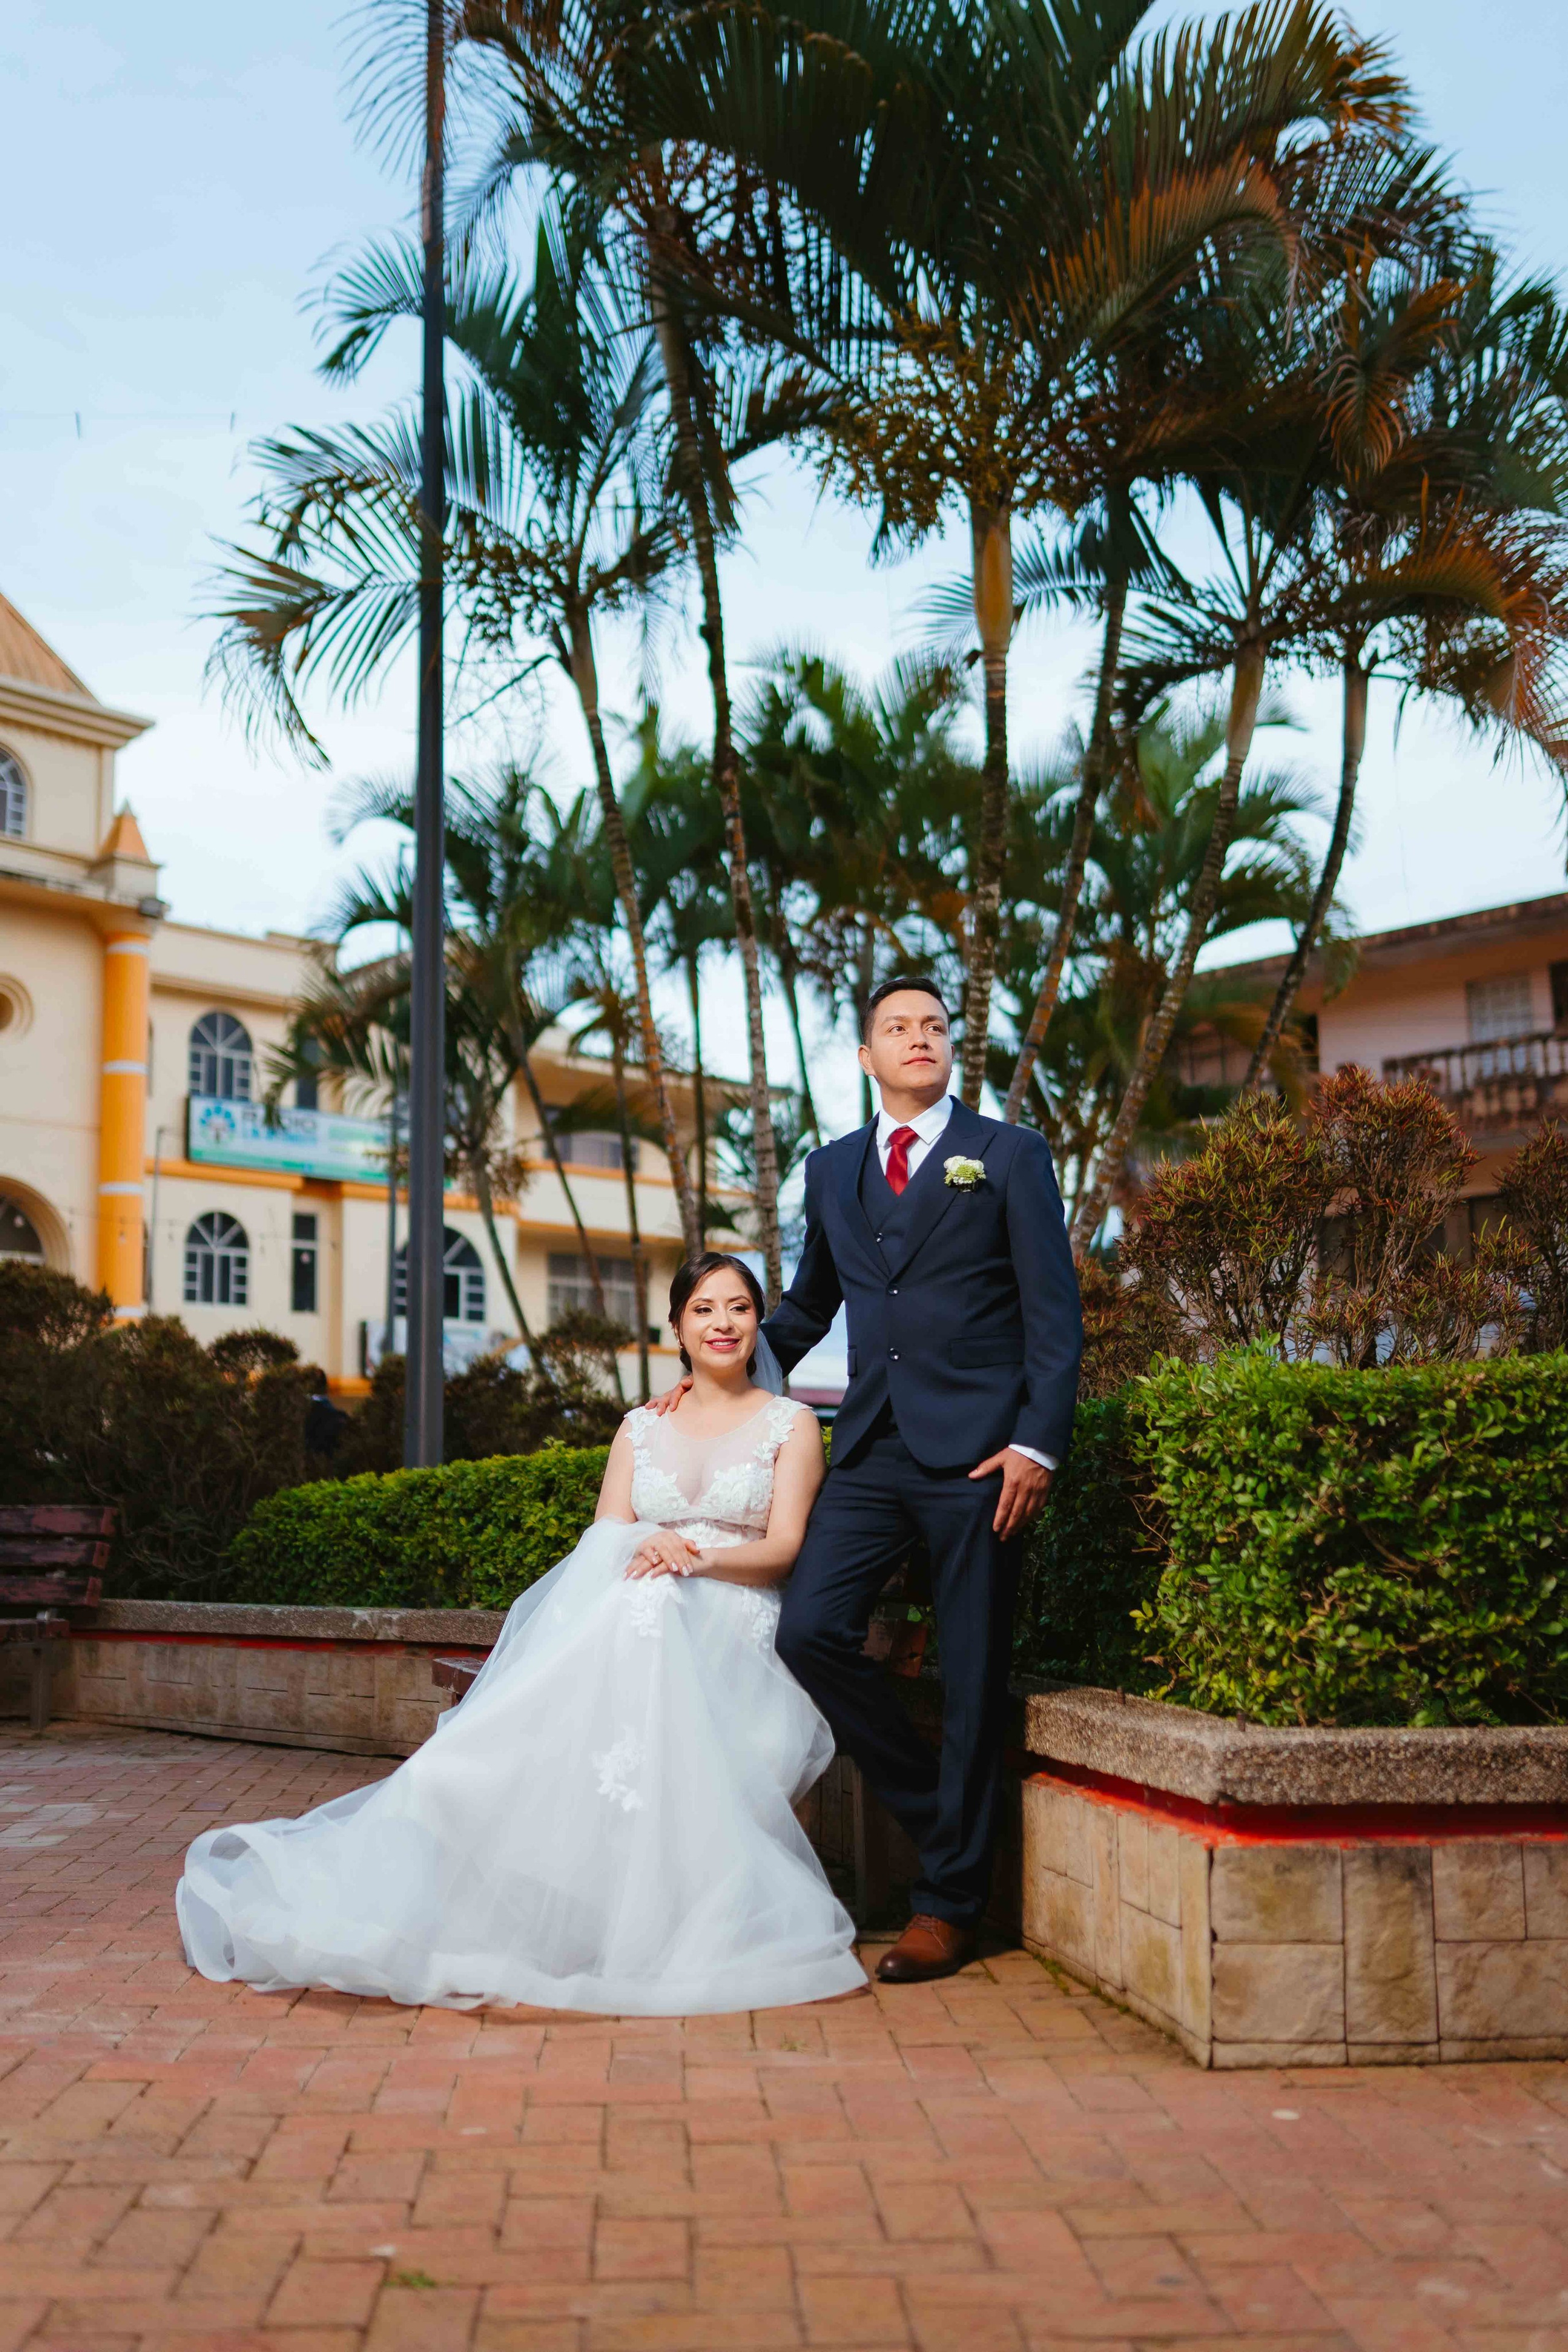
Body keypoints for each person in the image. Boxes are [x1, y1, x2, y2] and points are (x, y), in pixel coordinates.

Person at [175, 1254, 865, 2016]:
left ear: (757, 1323)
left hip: (733, 1614)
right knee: (644, 1606)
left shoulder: (789, 1423)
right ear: (676, 1326)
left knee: (654, 1606)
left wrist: (691, 1559)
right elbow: (604, 1539)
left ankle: (533, 1817)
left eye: (738, 1308)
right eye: (704, 1309)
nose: (723, 1324)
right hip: (643, 1609)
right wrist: (653, 1553)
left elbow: (782, 1551)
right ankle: (468, 1794)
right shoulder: (641, 1426)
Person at [656, 978, 1082, 1982]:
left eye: (934, 1026)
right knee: (811, 1630)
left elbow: (1053, 1316)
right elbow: (803, 1307)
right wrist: (707, 1373)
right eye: (899, 1027)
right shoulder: (833, 1168)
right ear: (867, 1057)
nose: (920, 1038)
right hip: (873, 1446)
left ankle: (947, 1907)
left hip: (983, 1458)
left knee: (974, 1679)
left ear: (949, 1048)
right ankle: (950, 1825)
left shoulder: (1009, 1156)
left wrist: (1037, 1446)